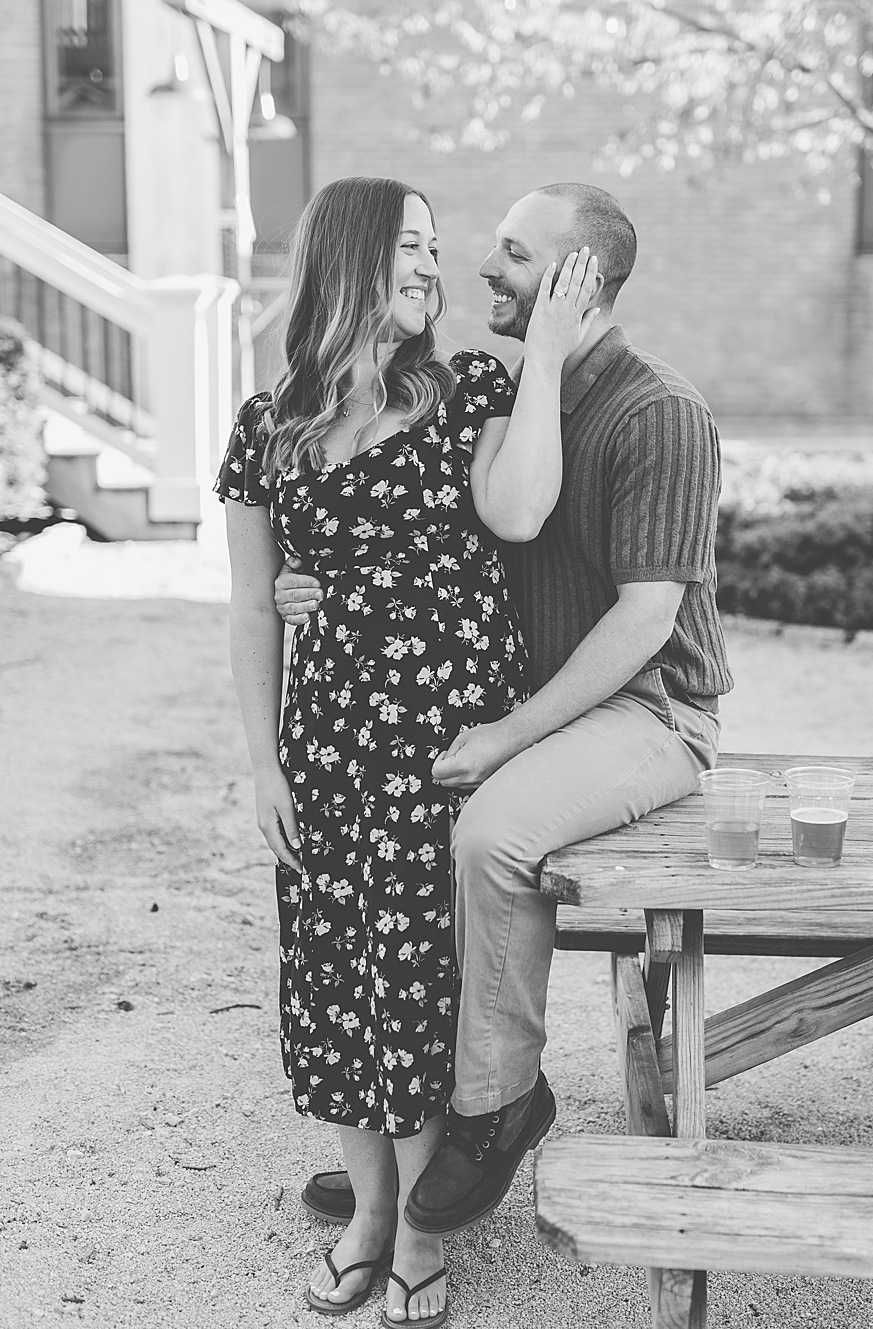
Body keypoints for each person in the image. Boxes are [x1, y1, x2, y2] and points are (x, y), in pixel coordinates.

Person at [273, 183, 734, 1279]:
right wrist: (320, 581)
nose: (481, 269)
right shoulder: (513, 391)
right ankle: (398, 1145)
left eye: (515, 255)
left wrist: (508, 735)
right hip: (549, 704)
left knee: (488, 832)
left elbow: (646, 621)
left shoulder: (656, 411)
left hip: (650, 707)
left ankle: (492, 1108)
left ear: (581, 280)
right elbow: (425, 523)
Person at [218, 175, 590, 1322]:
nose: (433, 266)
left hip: (444, 745)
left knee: (422, 986)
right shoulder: (266, 426)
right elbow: (250, 606)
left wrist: (544, 362)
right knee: (336, 976)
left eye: (435, 247)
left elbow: (519, 511)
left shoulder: (466, 386)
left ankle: (423, 1230)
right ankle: (371, 1215)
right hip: (326, 749)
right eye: (412, 247)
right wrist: (263, 764)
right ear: (351, 259)